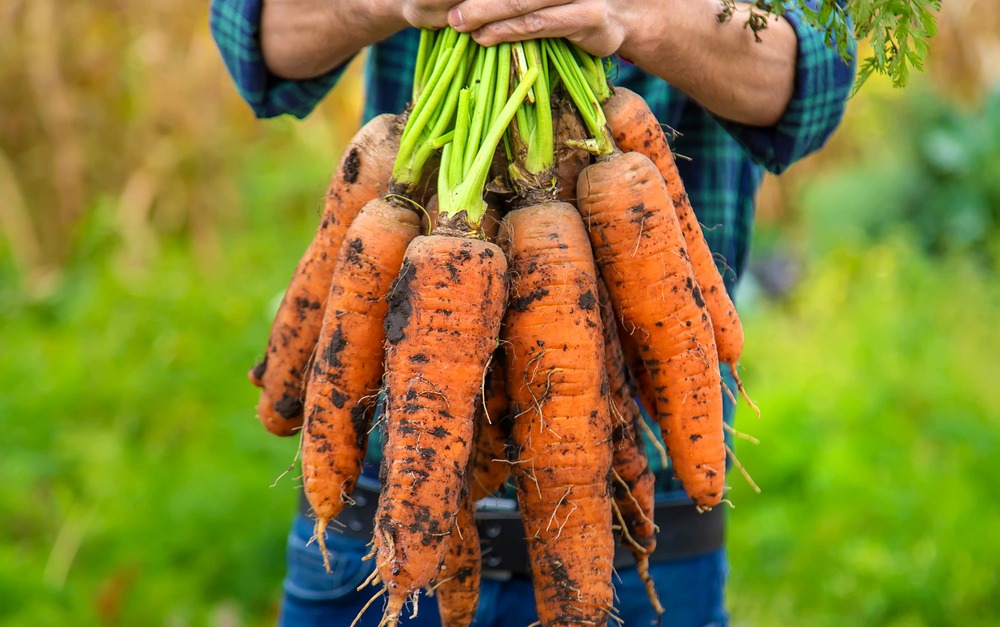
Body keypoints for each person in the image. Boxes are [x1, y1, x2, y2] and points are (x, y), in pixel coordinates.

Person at [210, 1, 855, 625]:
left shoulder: (618, 158)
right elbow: (254, 40)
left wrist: (629, 11)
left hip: (639, 515)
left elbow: (815, 79)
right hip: (391, 502)